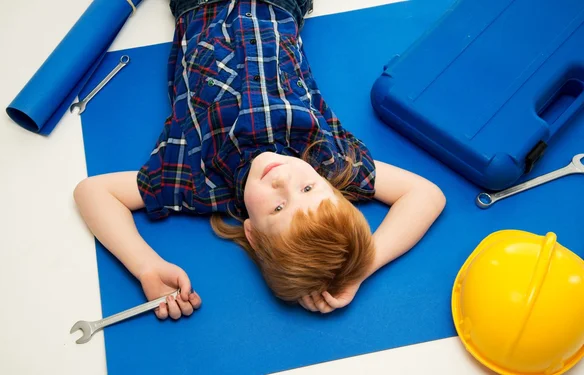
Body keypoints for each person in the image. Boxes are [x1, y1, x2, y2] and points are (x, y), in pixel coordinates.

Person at [73, 0, 446, 320]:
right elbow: (426, 195)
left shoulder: (196, 182)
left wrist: (146, 265)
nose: (283, 179)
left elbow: (93, 192)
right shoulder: (329, 159)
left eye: (279, 206)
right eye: (308, 187)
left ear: (251, 231)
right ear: (334, 187)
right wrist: (358, 270)